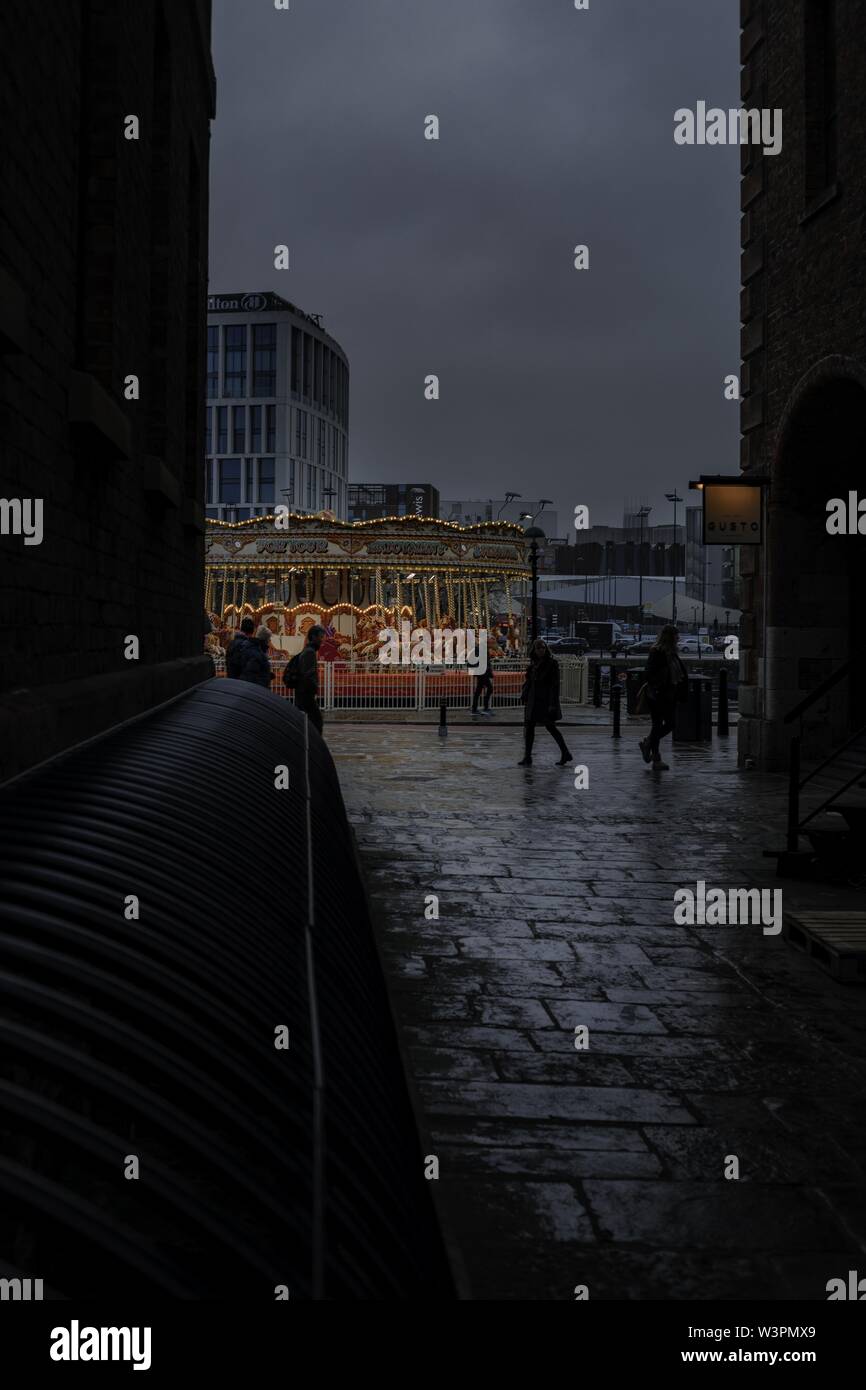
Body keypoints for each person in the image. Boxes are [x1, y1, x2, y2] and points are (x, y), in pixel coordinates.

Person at [639, 625, 688, 770]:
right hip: (659, 695)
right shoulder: (657, 652)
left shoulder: (672, 653)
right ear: (670, 637)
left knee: (662, 725)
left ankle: (651, 750)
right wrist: (659, 687)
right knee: (663, 725)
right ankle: (654, 755)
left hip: (669, 695)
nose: (678, 638)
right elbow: (649, 673)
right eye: (676, 636)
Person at [518, 638, 573, 766]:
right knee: (530, 728)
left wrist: (553, 704)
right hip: (533, 700)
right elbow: (529, 682)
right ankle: (527, 756)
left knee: (551, 727)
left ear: (546, 649)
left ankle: (565, 752)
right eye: (538, 648)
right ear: (534, 650)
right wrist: (525, 694)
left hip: (544, 701)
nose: (541, 650)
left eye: (543, 648)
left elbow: (554, 685)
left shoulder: (552, 663)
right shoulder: (533, 664)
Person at [293, 623, 325, 734]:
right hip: (306, 693)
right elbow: (308, 674)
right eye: (320, 637)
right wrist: (313, 687)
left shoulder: (308, 651)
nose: (322, 640)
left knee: (311, 721)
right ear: (314, 637)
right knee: (316, 721)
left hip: (304, 693)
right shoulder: (309, 652)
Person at [239, 624, 273, 689]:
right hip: (257, 688)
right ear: (265, 640)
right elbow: (251, 674)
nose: (269, 641)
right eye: (269, 639)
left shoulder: (256, 650)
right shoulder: (256, 653)